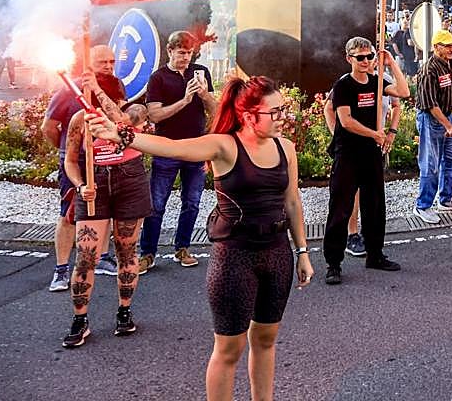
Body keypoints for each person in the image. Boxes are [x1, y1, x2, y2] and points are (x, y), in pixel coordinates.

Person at [89, 76, 313, 398]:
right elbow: (174, 147)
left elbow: (292, 201)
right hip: (235, 256)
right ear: (249, 115)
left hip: (277, 253)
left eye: (282, 110)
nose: (281, 118)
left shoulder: (285, 148)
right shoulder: (223, 145)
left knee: (265, 339)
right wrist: (125, 137)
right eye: (274, 112)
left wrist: (302, 251)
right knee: (229, 348)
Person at [60, 76, 149, 347]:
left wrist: (98, 92)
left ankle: (124, 311)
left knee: (126, 250)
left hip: (130, 179)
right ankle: (80, 320)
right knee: (86, 256)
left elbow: (122, 123)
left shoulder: (130, 113)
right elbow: (70, 160)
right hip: (95, 181)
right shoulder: (79, 120)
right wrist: (80, 184)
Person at [323, 37, 410, 285]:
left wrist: (391, 63)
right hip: (348, 153)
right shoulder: (344, 86)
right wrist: (375, 134)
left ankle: (375, 254)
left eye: (369, 56)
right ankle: (333, 263)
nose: (366, 61)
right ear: (349, 58)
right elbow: (346, 120)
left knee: (374, 206)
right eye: (360, 57)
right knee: (340, 207)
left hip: (371, 153)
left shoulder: (377, 82)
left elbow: (403, 93)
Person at [42, 45, 122, 292]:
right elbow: (48, 126)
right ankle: (62, 269)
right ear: (90, 64)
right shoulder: (69, 89)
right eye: (102, 63)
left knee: (106, 207)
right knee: (70, 213)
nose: (109, 66)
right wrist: (68, 150)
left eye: (111, 61)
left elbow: (119, 117)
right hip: (76, 160)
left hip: (106, 158)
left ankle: (103, 257)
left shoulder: (115, 84)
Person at [140, 31, 218, 273]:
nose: (186, 58)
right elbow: (154, 115)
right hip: (166, 147)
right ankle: (147, 253)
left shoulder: (201, 72)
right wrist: (184, 101)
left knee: (192, 202)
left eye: (190, 53)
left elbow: (216, 109)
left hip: (195, 146)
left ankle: (182, 248)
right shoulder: (158, 78)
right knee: (157, 203)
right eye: (181, 53)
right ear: (170, 51)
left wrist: (204, 94)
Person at [413, 30, 452, 225]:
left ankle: (445, 199)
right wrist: (448, 126)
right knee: (430, 164)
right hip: (431, 119)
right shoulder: (429, 69)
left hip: (448, 116)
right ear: (436, 47)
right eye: (446, 45)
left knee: (450, 160)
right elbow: (429, 104)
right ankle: (422, 205)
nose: (451, 48)